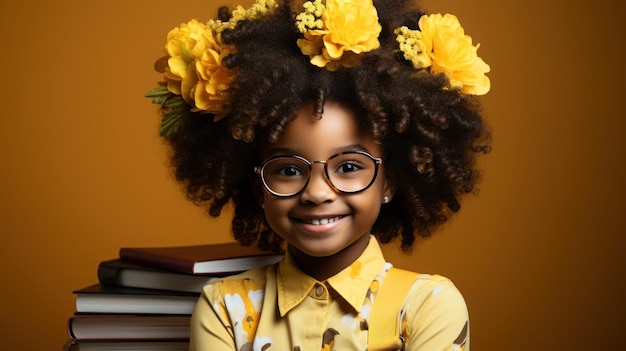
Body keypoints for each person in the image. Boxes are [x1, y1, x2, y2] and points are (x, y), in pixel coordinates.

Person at [146, 0, 491, 349]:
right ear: (257, 185)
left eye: (349, 167)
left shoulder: (425, 307)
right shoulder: (224, 309)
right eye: (289, 170)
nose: (317, 192)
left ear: (389, 181)